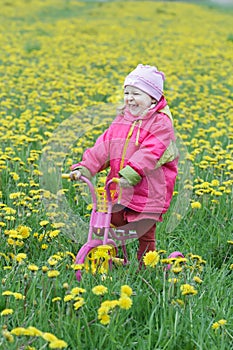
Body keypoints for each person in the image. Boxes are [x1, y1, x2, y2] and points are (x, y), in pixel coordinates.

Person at [69, 64, 179, 266]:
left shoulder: (161, 123)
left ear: (152, 98)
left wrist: (132, 172)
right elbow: (104, 147)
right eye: (127, 92)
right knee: (114, 220)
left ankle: (146, 265)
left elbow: (151, 152)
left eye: (136, 93)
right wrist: (86, 167)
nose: (129, 98)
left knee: (144, 229)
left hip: (149, 191)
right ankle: (118, 259)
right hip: (120, 186)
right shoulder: (122, 120)